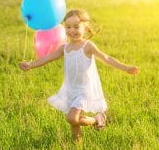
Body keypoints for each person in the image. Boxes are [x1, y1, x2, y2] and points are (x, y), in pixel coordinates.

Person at [19, 9, 139, 142]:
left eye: (76, 27)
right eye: (68, 27)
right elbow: (47, 58)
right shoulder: (64, 48)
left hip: (84, 90)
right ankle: (78, 143)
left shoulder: (87, 46)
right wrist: (31, 65)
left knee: (72, 118)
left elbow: (106, 58)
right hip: (70, 89)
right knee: (74, 125)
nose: (72, 30)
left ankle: (96, 119)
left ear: (86, 28)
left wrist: (126, 67)